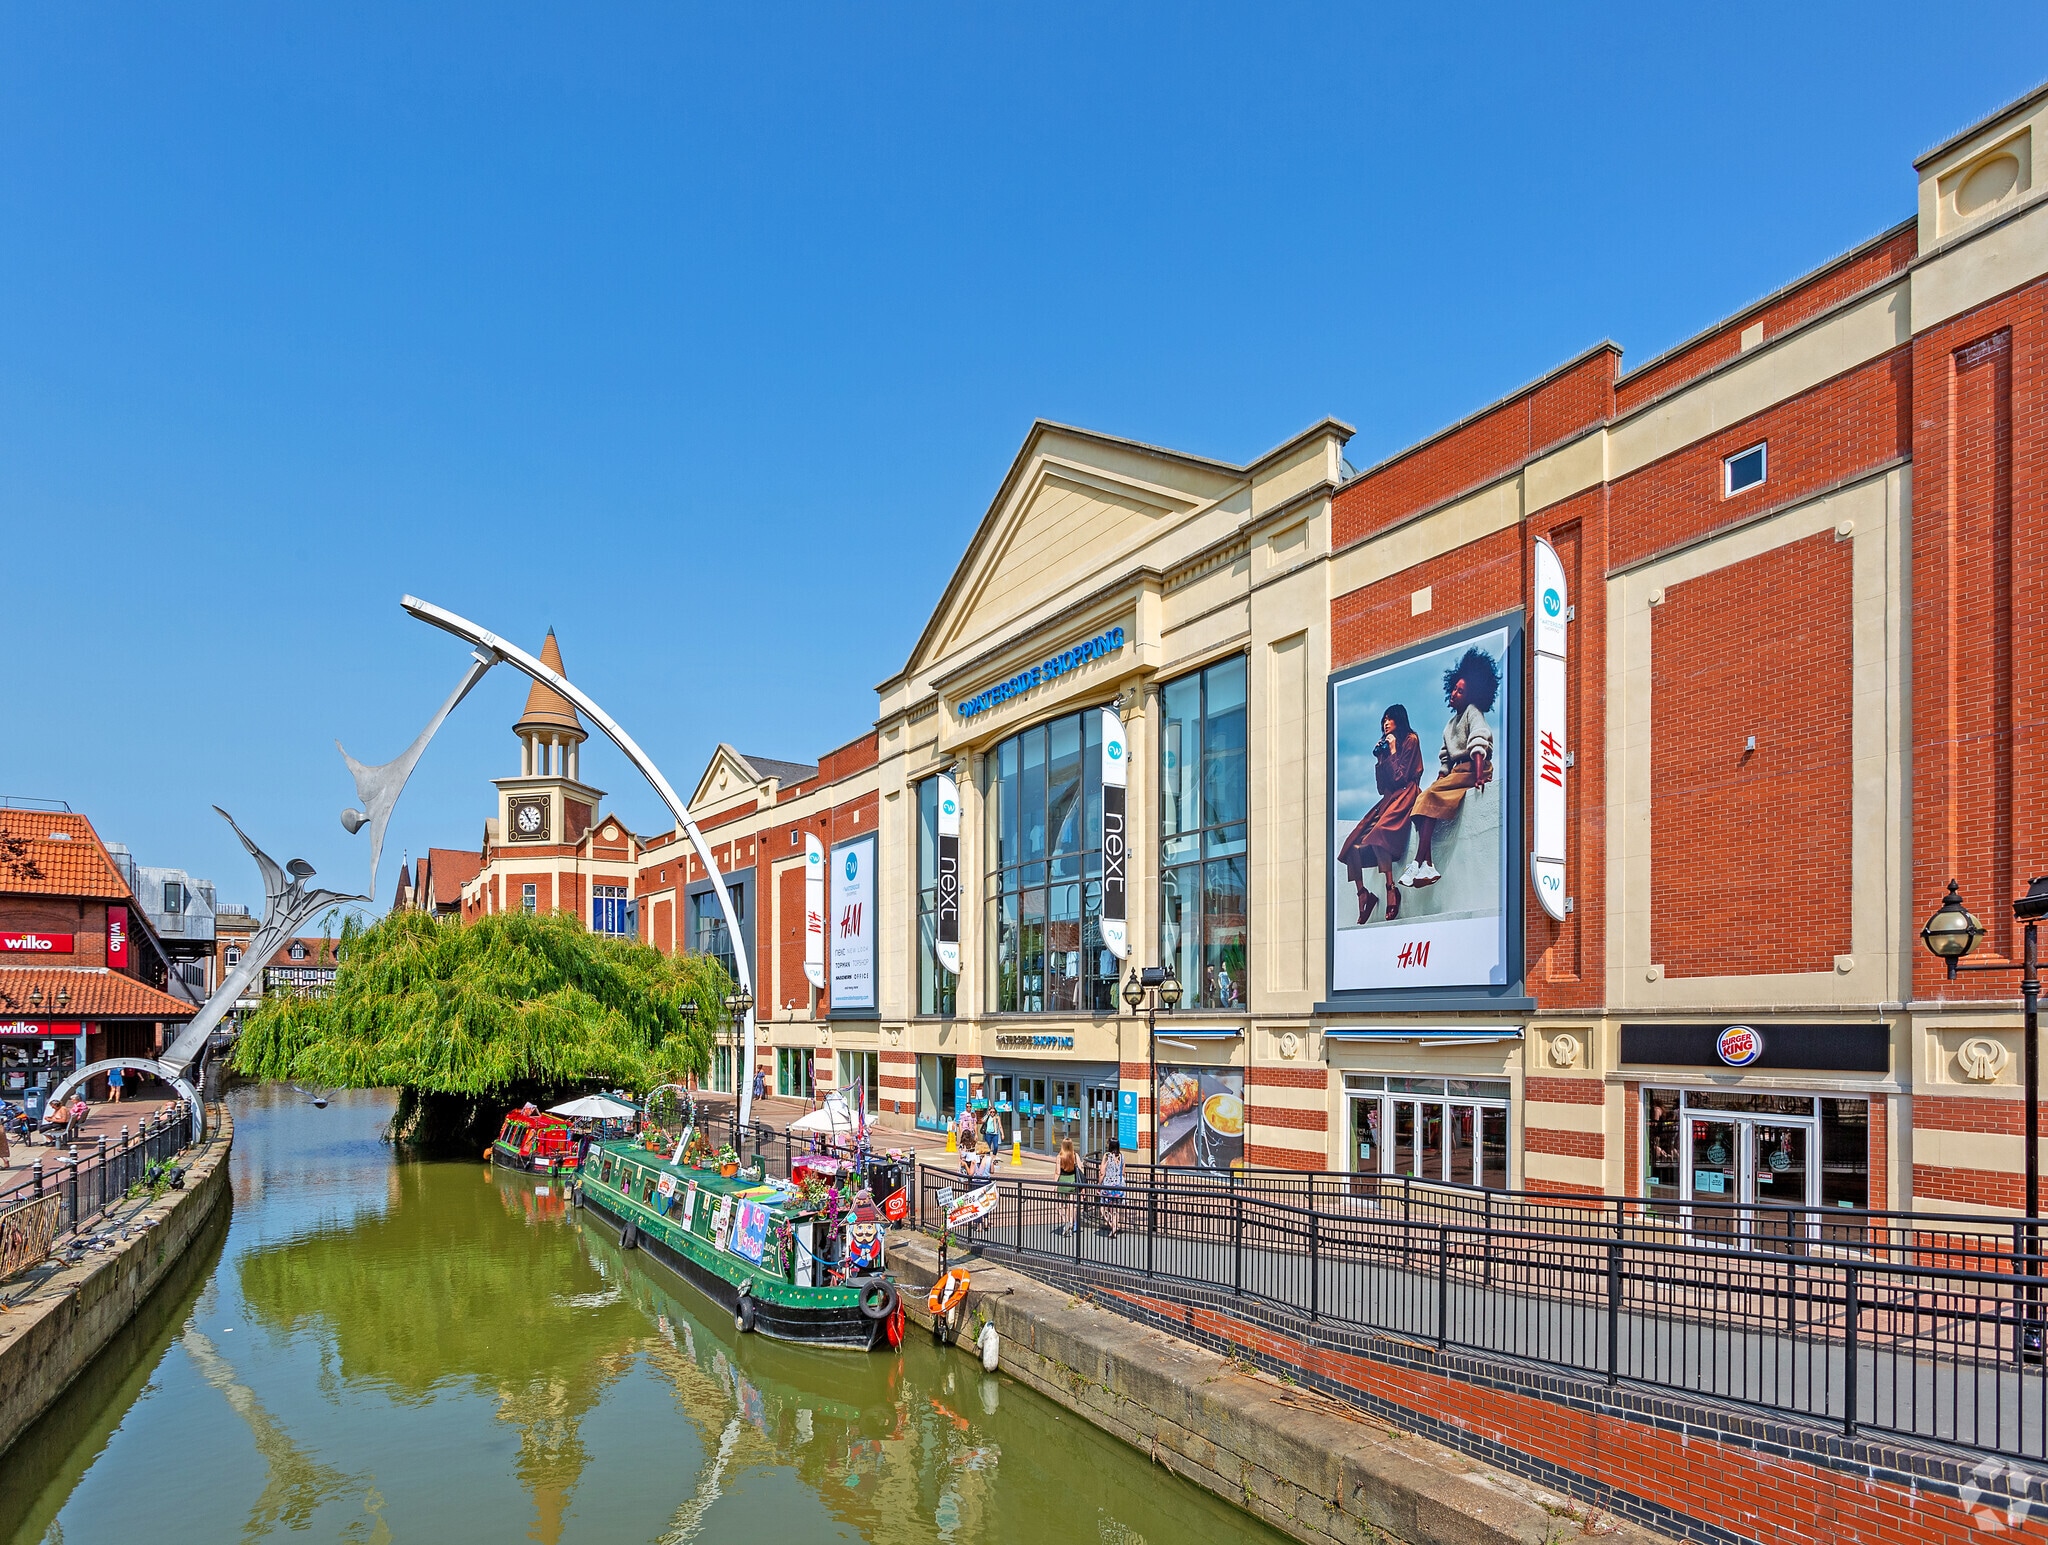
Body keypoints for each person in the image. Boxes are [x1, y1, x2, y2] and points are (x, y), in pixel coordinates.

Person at [1403, 648, 1500, 888]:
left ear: (1472, 695)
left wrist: (1479, 776)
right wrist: (1441, 776)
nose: (1455, 693)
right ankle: (1426, 865)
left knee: (1430, 797)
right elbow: (1445, 756)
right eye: (1454, 689)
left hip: (1474, 768)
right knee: (1422, 802)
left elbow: (1479, 741)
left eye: (1461, 691)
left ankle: (1418, 863)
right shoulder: (1449, 724)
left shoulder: (1472, 713)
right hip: (1458, 772)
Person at [1339, 703, 1424, 922]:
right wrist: (1380, 760)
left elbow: (1402, 778)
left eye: (1389, 718)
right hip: (1388, 798)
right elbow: (1381, 786)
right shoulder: (1387, 746)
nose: (1386, 723)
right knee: (1351, 844)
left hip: (1406, 794)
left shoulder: (1410, 740)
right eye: (1383, 720)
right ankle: (1363, 894)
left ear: (1399, 719)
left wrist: (1394, 750)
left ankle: (1390, 888)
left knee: (1379, 833)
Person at [1052, 1137, 1081, 1236]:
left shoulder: (1059, 1156)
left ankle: (1066, 1221)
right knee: (1071, 1205)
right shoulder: (1075, 1155)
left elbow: (1057, 1172)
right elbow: (1080, 1169)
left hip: (1063, 1182)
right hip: (1073, 1181)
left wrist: (1055, 1185)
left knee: (1058, 1205)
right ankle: (1071, 1223)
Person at [1098, 1136, 1126, 1237]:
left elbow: (1102, 1172)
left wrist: (1099, 1185)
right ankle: (1115, 1226)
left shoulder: (1107, 1156)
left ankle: (1111, 1224)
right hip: (1119, 1185)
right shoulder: (1122, 1156)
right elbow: (1123, 1172)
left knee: (1103, 1208)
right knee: (1115, 1209)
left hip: (1108, 1185)